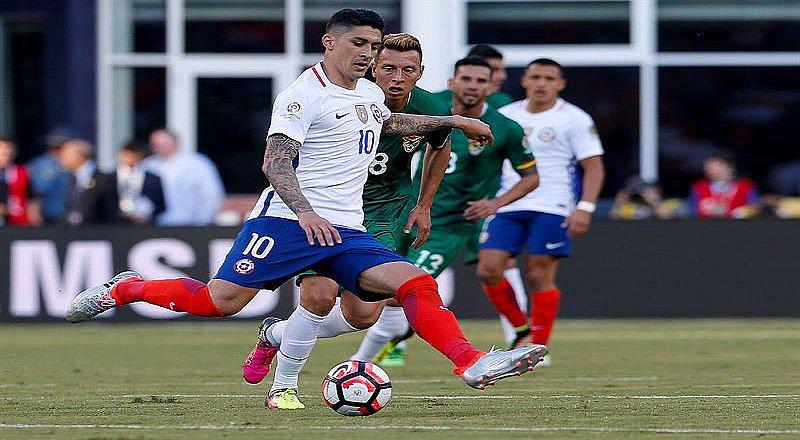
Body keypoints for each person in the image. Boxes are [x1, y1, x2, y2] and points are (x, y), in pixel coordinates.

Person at [65, 7, 546, 407]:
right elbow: (275, 163)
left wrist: (454, 121)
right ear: (329, 42)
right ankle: (128, 289)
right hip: (287, 223)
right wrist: (306, 212)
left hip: (347, 229)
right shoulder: (302, 94)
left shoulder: (368, 92)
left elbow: (386, 122)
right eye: (359, 43)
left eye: (374, 45)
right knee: (218, 303)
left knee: (412, 283)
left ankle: (470, 361)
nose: (368, 53)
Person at [242, 32, 455, 409]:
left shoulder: (430, 108)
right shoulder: (353, 95)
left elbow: (441, 146)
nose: (396, 77)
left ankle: (275, 334)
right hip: (332, 210)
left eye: (407, 69)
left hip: (387, 213)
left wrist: (424, 206)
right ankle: (284, 387)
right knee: (319, 295)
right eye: (387, 67)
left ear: (420, 73)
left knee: (362, 315)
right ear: (374, 66)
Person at [350, 56, 540, 367]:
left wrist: (495, 204)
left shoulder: (505, 128)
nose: (472, 86)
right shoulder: (432, 107)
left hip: (450, 226)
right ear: (452, 82)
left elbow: (532, 177)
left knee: (402, 290)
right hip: (403, 213)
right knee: (377, 295)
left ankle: (363, 361)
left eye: (481, 81)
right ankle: (384, 347)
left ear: (492, 86)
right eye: (466, 79)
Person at [476, 59, 605, 367]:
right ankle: (522, 332)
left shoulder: (573, 118)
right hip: (509, 202)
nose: (541, 83)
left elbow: (593, 166)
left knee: (538, 273)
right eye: (535, 77)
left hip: (553, 203)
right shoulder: (506, 115)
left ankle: (538, 346)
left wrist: (585, 208)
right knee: (488, 268)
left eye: (549, 78)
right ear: (524, 81)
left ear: (560, 84)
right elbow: (488, 159)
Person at [142, 129, 224, 226]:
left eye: (165, 143)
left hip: (192, 224)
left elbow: (211, 195)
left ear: (176, 142)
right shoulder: (147, 165)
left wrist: (202, 222)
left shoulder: (198, 163)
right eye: (156, 144)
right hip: (157, 225)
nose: (161, 147)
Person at [57, 139, 120, 225]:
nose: (61, 158)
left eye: (66, 153)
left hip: (99, 233)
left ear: (80, 156)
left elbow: (110, 211)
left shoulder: (104, 180)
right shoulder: (70, 179)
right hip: (74, 234)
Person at [435, 44, 514, 109]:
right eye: (494, 70)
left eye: (481, 80)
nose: (502, 76)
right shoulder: (435, 101)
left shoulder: (504, 102)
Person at [689, 152, 759, 218]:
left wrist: (731, 212)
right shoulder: (699, 187)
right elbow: (691, 210)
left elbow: (755, 208)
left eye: (718, 166)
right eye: (709, 167)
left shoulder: (745, 186)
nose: (712, 170)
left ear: (730, 168)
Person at [27, 130, 72, 224]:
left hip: (65, 214)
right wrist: (35, 210)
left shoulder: (68, 164)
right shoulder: (44, 164)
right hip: (48, 214)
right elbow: (38, 191)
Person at [116, 141, 166, 224]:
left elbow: (161, 205)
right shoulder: (110, 178)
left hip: (145, 226)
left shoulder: (153, 178)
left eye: (132, 155)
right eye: (126, 155)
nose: (129, 158)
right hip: (116, 225)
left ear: (139, 156)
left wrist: (147, 214)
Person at [0, 137, 31, 226]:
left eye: (7, 151)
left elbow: (30, 198)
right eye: (2, 152)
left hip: (18, 221)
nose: (4, 156)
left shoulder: (21, 172)